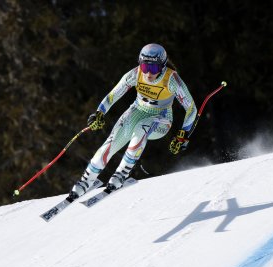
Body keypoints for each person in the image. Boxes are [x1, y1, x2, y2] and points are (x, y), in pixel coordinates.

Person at [66, 43, 197, 201]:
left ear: (162, 66)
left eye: (154, 68)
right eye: (144, 67)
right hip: (137, 110)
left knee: (141, 130)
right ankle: (86, 180)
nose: (148, 73)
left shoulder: (171, 79)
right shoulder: (135, 74)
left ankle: (121, 174)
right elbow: (113, 95)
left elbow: (191, 108)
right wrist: (99, 113)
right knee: (111, 142)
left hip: (161, 119)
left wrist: (183, 134)